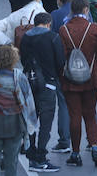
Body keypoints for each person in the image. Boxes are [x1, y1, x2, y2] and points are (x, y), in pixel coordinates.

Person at [60, 0, 97, 166]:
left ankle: (76, 152)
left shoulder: (64, 30)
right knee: (90, 114)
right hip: (91, 77)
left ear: (72, 10)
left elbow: (62, 56)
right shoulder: (94, 28)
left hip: (71, 79)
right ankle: (95, 146)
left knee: (74, 116)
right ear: (86, 9)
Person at [19, 11, 65, 172]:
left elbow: (22, 58)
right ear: (48, 24)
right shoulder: (52, 37)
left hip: (29, 83)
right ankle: (41, 156)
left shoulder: (25, 37)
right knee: (46, 122)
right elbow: (60, 61)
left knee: (31, 119)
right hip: (48, 84)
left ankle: (30, 151)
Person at [0, 44, 39, 176]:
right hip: (14, 124)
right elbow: (28, 101)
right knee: (11, 162)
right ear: (14, 59)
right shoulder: (19, 77)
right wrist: (31, 125)